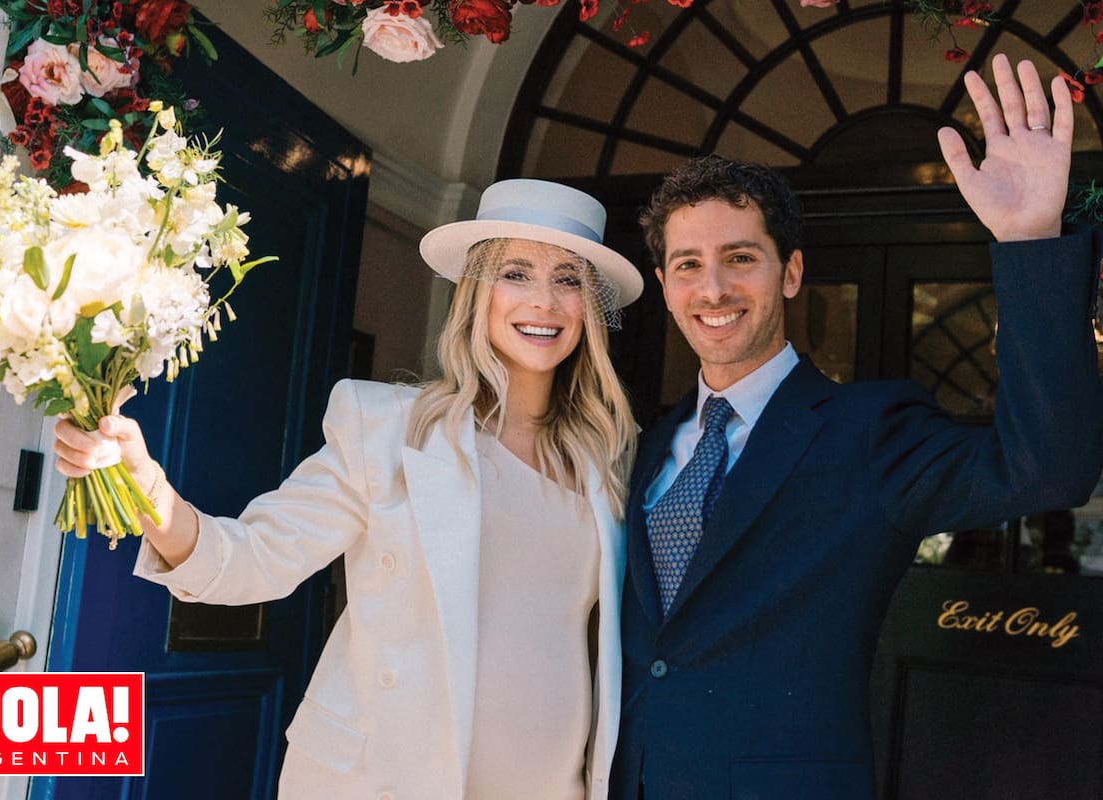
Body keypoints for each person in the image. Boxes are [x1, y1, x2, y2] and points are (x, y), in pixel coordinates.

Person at [610, 54, 1103, 800]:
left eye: (740, 258)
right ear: (666, 288)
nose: (713, 288)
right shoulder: (644, 447)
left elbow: (1048, 468)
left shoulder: (868, 432)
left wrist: (1030, 240)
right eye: (688, 265)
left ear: (793, 272)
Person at [53, 179, 645, 799]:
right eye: (516, 273)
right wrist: (147, 485)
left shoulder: (610, 459)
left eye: (569, 279)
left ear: (591, 309)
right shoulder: (387, 428)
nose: (544, 301)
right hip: (385, 782)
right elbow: (255, 560)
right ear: (476, 293)